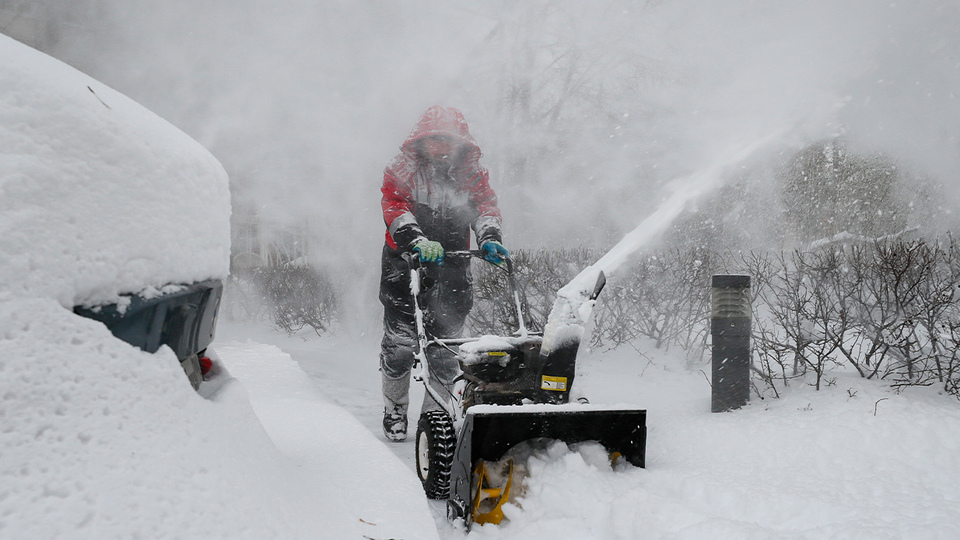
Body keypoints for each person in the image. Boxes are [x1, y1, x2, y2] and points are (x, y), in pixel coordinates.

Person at [379, 106, 509, 441]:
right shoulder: (403, 169)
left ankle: (433, 418)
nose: (441, 146)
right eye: (434, 138)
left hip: (453, 267)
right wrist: (417, 239)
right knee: (400, 345)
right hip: (404, 266)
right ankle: (394, 407)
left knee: (446, 348)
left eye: (448, 139)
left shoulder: (471, 173)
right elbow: (394, 206)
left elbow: (485, 205)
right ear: (421, 140)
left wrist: (489, 236)